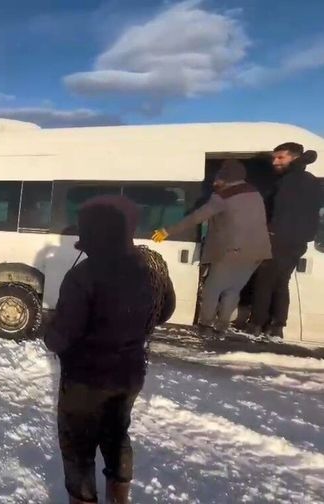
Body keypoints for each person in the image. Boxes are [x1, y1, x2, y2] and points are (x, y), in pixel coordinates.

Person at [42, 195, 175, 504]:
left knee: (79, 448)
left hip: (85, 382)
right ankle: (120, 499)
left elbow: (62, 337)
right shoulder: (150, 266)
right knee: (117, 436)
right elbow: (165, 310)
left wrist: (48, 330)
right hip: (130, 373)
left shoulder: (83, 276)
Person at [151, 160, 271, 335]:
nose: (215, 182)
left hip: (231, 252)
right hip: (257, 253)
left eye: (217, 178)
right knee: (233, 289)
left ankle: (205, 326)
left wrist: (168, 231)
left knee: (212, 290)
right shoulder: (255, 193)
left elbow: (196, 217)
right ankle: (221, 327)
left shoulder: (222, 197)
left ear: (225, 178)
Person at [246, 144, 322, 338]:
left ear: (294, 158)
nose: (275, 162)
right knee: (281, 283)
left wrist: (268, 233)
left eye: (280, 158)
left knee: (264, 282)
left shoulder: (285, 182)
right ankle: (277, 326)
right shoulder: (313, 182)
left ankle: (255, 325)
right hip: (299, 243)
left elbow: (276, 211)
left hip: (278, 239)